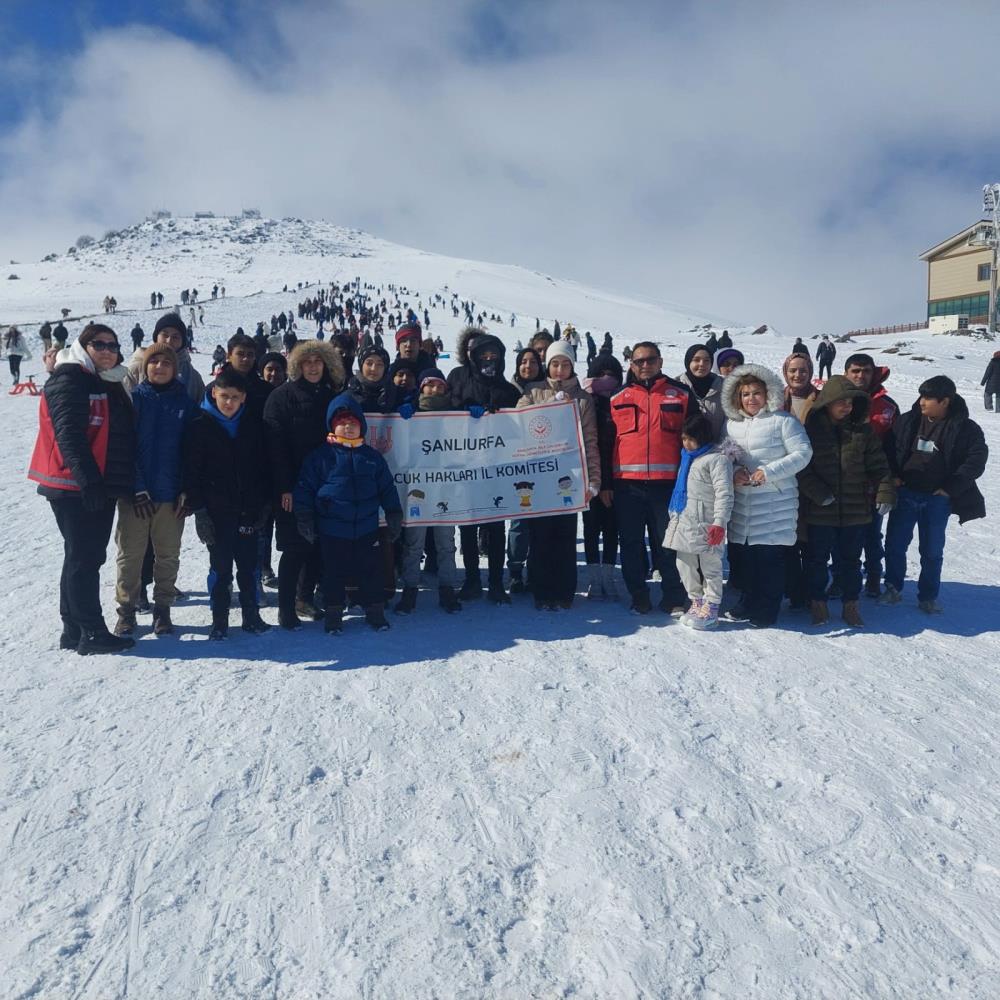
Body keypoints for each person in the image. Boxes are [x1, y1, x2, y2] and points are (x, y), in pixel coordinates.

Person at [27, 324, 136, 654]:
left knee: (79, 556)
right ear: (83, 346)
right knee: (85, 559)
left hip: (90, 482)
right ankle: (91, 631)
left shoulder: (100, 378)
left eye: (112, 345)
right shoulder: (70, 379)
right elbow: (69, 435)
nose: (106, 350)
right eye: (98, 344)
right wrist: (89, 483)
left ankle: (73, 628)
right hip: (76, 484)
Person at [293, 393, 403, 633]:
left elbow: (387, 487)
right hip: (333, 529)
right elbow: (305, 487)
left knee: (371, 571)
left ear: (361, 427)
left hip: (366, 527)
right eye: (343, 423)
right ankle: (333, 613)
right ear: (333, 426)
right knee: (334, 573)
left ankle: (375, 610)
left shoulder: (371, 457)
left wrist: (394, 512)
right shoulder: (321, 456)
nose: (348, 427)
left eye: (353, 423)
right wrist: (304, 516)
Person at [881, 376, 988, 612]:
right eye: (921, 396)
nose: (922, 402)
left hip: (937, 499)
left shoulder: (966, 429)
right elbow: (887, 449)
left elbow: (976, 461)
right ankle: (893, 587)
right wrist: (893, 476)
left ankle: (928, 596)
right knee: (895, 545)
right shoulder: (908, 421)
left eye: (928, 398)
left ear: (945, 401)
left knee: (931, 550)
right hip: (906, 493)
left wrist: (950, 488)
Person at [797, 376, 895, 628]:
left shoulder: (863, 433)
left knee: (851, 561)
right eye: (841, 401)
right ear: (827, 403)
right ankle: (817, 602)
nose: (846, 406)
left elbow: (879, 467)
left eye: (850, 402)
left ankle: (851, 604)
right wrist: (818, 492)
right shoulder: (810, 433)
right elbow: (801, 469)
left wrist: (884, 492)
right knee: (817, 560)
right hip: (821, 510)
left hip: (855, 511)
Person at [113, 343, 197, 637]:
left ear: (175, 368)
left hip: (171, 497)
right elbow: (125, 448)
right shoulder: (134, 400)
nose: (159, 367)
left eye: (166, 363)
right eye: (154, 362)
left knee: (168, 556)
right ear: (145, 367)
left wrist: (187, 489)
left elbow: (192, 452)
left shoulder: (186, 405)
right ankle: (127, 610)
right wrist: (136, 488)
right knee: (130, 556)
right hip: (136, 497)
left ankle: (163, 608)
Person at [720, 364, 812, 628]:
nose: (751, 399)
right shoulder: (732, 425)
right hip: (742, 502)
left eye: (757, 393)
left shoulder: (784, 420)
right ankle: (748, 600)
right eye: (746, 394)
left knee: (769, 560)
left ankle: (767, 608)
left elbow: (803, 454)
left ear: (768, 394)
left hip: (775, 501)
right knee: (745, 558)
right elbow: (726, 456)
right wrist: (735, 471)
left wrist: (768, 472)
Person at [184, 368, 271, 639]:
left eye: (235, 397)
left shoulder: (252, 425)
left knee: (248, 567)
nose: (229, 402)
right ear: (214, 393)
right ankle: (219, 619)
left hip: (247, 510)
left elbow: (262, 469)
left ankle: (251, 615)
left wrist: (262, 507)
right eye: (224, 396)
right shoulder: (199, 424)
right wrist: (200, 512)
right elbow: (191, 473)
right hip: (216, 512)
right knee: (221, 569)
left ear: (243, 397)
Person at [263, 340, 345, 628]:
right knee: (295, 547)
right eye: (307, 362)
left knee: (317, 546)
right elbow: (274, 446)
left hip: (326, 485)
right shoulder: (280, 397)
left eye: (318, 362)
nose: (312, 367)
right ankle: (285, 608)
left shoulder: (332, 396)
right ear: (297, 366)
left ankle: (304, 598)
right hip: (292, 486)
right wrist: (285, 486)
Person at [610, 341, 694, 615]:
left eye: (650, 360)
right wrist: (607, 485)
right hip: (627, 486)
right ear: (631, 365)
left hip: (667, 485)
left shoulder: (680, 394)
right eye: (638, 361)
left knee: (667, 542)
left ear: (659, 362)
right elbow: (606, 442)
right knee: (631, 543)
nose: (644, 365)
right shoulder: (617, 397)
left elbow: (695, 440)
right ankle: (639, 595)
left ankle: (673, 596)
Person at [517, 342, 601, 609]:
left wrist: (594, 479)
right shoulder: (534, 391)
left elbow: (590, 440)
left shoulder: (583, 399)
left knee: (564, 537)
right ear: (548, 365)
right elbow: (517, 420)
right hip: (539, 475)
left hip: (570, 476)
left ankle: (564, 592)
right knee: (540, 537)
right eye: (555, 364)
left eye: (565, 364)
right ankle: (541, 591)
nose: (560, 369)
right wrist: (546, 407)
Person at [447, 327, 521, 603]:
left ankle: (496, 583)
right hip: (464, 466)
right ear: (473, 357)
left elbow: (518, 428)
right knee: (466, 525)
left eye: (494, 355)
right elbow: (444, 410)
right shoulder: (457, 378)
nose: (488, 360)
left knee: (495, 527)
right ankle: (472, 580)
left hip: (495, 469)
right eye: (483, 355)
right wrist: (464, 413)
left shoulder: (506, 389)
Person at [395, 369, 463, 615]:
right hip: (418, 488)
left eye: (439, 386)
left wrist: (476, 420)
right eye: (429, 385)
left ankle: (447, 588)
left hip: (446, 487)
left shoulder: (455, 414)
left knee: (446, 542)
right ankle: (410, 589)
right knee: (414, 543)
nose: (434, 390)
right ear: (421, 388)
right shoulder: (411, 413)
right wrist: (402, 420)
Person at [663, 413, 733, 630]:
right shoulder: (687, 458)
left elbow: (724, 493)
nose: (687, 443)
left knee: (711, 566)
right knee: (683, 563)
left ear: (703, 437)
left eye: (691, 438)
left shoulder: (717, 459)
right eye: (684, 438)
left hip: (708, 523)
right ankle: (696, 600)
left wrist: (719, 522)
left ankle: (712, 606)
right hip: (684, 521)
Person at [841, 352, 899, 596]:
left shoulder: (887, 406)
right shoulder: (837, 400)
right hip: (844, 480)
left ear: (873, 373)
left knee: (872, 534)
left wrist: (890, 481)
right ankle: (839, 577)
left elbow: (896, 447)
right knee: (841, 535)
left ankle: (874, 575)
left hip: (875, 482)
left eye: (865, 371)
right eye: (855, 371)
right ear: (846, 373)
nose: (860, 375)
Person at [780, 351, 819, 609]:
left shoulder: (821, 401)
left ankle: (811, 591)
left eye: (803, 370)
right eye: (793, 370)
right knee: (788, 536)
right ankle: (793, 590)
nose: (797, 375)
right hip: (784, 477)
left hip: (813, 477)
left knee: (812, 537)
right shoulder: (775, 400)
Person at [583, 353, 623, 598]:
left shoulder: (622, 400)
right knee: (590, 528)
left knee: (611, 529)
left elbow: (615, 446)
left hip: (615, 478)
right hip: (588, 477)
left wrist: (608, 482)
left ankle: (608, 577)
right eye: (601, 374)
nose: (606, 379)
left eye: (611, 375)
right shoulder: (585, 401)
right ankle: (593, 579)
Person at [507, 347, 543, 591]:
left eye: (533, 362)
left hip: (543, 465)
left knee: (540, 520)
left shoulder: (547, 391)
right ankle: (516, 571)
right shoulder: (509, 391)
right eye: (523, 362)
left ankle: (538, 569)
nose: (527, 366)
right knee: (519, 521)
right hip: (515, 464)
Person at [124, 313, 205, 404]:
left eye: (175, 337)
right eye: (165, 335)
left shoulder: (192, 376)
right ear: (156, 337)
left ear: (182, 342)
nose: (169, 340)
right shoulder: (137, 368)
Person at [677, 344, 725, 439]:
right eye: (696, 360)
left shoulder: (725, 386)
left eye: (707, 360)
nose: (702, 364)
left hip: (716, 449)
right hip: (685, 451)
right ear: (688, 362)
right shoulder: (676, 387)